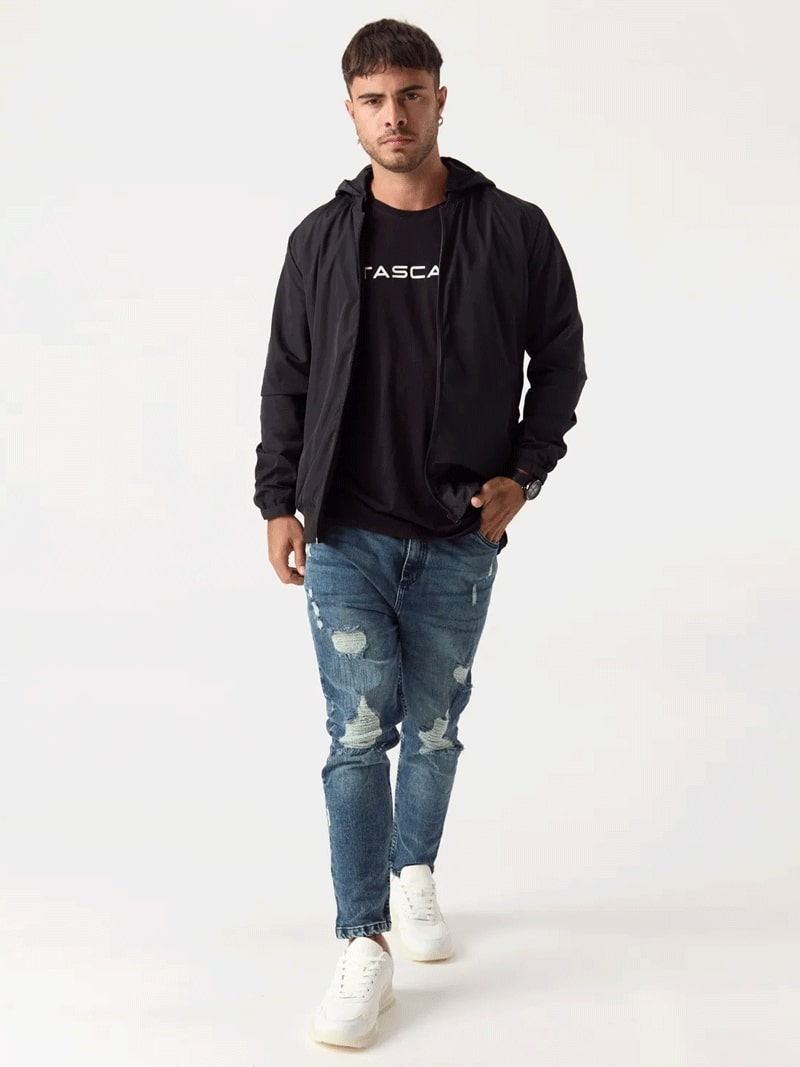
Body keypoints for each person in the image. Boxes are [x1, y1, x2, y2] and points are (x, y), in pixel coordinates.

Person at [254, 17, 586, 1049]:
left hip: (455, 531)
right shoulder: (320, 239)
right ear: (350, 111)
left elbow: (560, 360)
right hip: (344, 530)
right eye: (372, 100)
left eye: (408, 95)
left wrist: (525, 473)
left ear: (440, 100)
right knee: (357, 733)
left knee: (435, 727)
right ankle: (363, 941)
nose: (392, 116)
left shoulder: (511, 229)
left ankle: (413, 871)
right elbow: (287, 377)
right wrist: (277, 499)